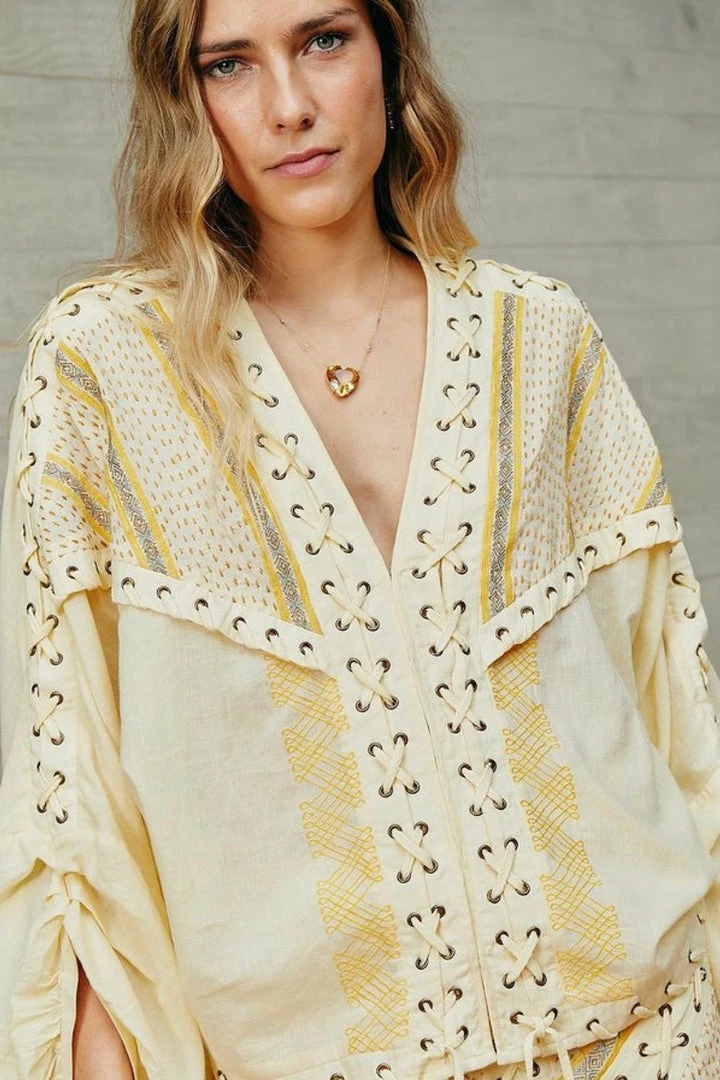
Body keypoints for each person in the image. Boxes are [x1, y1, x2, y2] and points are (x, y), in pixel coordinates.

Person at [0, 0, 718, 1078]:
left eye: (323, 40)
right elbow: (74, 795)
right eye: (229, 64)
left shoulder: (542, 334)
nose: (289, 106)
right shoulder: (105, 364)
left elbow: (676, 705)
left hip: (652, 1037)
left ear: (390, 52)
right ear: (183, 97)